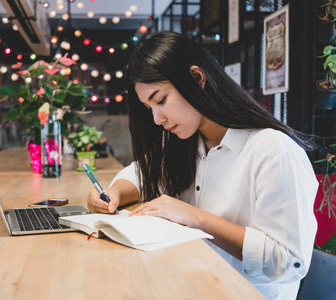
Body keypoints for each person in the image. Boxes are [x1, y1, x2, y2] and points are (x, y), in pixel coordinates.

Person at [86, 31, 318, 299]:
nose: (157, 118)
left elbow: (288, 262)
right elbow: (142, 173)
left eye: (161, 100)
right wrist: (112, 194)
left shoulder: (274, 151)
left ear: (197, 79)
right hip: (186, 283)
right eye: (149, 108)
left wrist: (196, 218)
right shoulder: (186, 140)